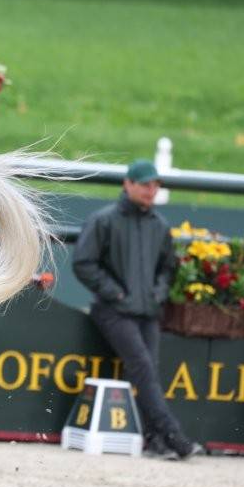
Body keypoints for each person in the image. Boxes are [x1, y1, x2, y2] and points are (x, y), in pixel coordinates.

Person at [72, 159, 203, 460]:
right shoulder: (103, 220)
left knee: (147, 373)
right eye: (145, 184)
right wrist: (115, 293)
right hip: (113, 311)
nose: (151, 190)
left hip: (147, 311)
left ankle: (156, 441)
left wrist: (157, 294)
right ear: (127, 184)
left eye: (155, 185)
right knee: (143, 368)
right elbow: (83, 263)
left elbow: (167, 268)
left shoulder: (159, 225)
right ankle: (174, 436)